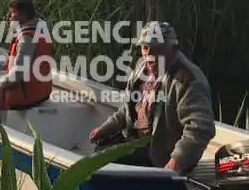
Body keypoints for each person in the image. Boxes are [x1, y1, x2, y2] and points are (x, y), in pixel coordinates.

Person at [88, 21, 215, 174]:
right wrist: (105, 128)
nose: (149, 55)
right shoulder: (142, 68)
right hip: (135, 140)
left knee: (104, 166)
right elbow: (128, 109)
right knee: (98, 153)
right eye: (145, 48)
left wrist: (175, 163)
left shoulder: (187, 79)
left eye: (156, 49)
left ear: (173, 49)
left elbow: (200, 129)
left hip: (159, 152)